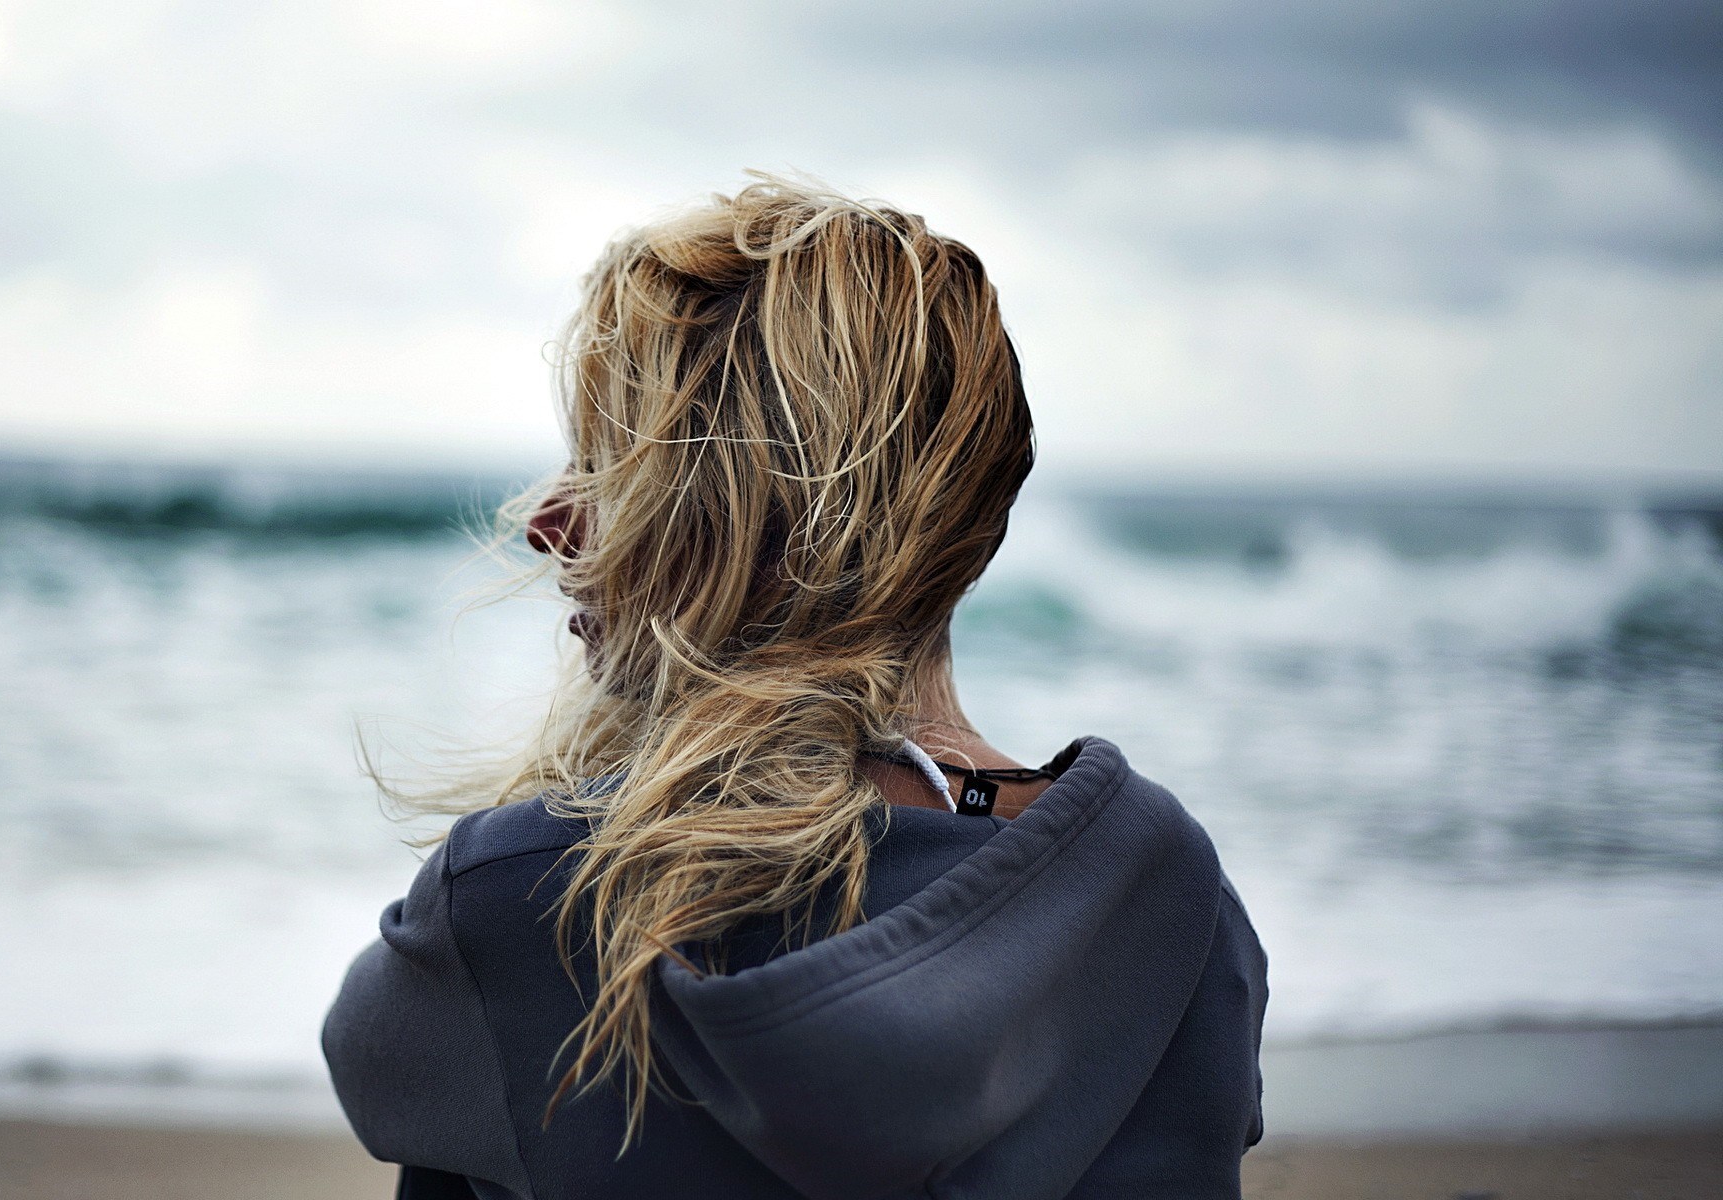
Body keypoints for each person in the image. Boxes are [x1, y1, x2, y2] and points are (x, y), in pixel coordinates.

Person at [323, 176, 1268, 1200]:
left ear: (732, 514)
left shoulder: (531, 898)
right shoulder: (1166, 897)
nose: (550, 522)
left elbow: (369, 1059)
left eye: (605, 466)